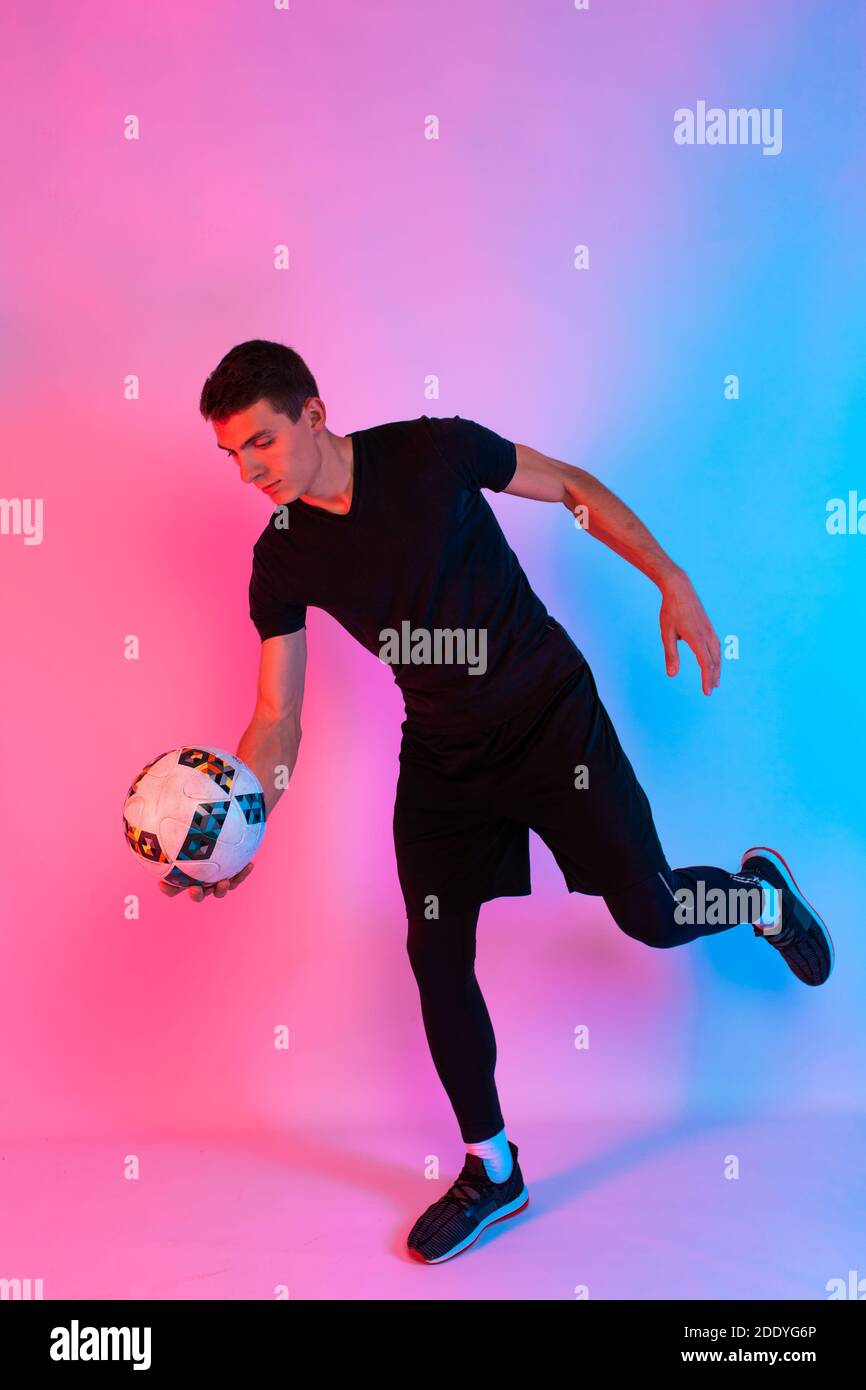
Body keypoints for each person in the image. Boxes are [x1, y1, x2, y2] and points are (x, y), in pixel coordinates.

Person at [165, 338, 834, 1266]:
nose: (248, 471)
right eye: (232, 455)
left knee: (651, 913)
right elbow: (276, 717)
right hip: (444, 753)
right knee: (435, 952)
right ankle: (494, 1168)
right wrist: (241, 823)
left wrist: (670, 578)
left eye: (260, 443)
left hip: (548, 718)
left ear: (313, 414)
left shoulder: (435, 451)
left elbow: (571, 486)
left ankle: (759, 896)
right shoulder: (281, 556)